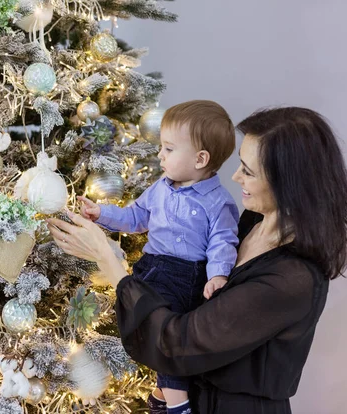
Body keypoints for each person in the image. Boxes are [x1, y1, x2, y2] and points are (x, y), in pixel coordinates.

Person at [47, 107, 347, 414]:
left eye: (248, 172)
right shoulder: (252, 222)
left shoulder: (291, 279)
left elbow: (177, 343)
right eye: (240, 165)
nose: (235, 177)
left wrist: (106, 258)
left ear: (288, 184)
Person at [77, 100, 239, 413]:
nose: (160, 155)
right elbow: (136, 217)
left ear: (200, 158)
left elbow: (223, 241)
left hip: (184, 276)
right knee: (142, 328)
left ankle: (177, 401)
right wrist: (102, 214)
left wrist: (218, 274)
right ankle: (163, 392)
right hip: (150, 268)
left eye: (168, 149)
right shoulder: (160, 188)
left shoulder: (218, 203)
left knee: (165, 334)